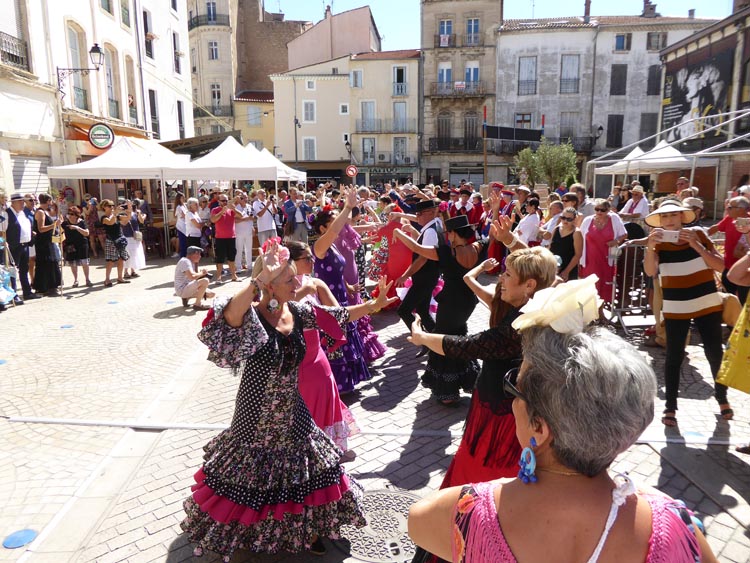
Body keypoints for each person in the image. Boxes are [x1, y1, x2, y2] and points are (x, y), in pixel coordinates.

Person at [408, 283, 717, 563]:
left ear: (540, 428)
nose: (513, 400)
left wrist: (500, 489)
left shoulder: (468, 511)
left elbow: (416, 521)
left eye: (515, 387)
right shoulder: (675, 523)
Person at [181, 241, 395, 560]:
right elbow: (229, 313)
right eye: (290, 280)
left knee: (307, 473)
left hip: (294, 411)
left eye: (297, 278)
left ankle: (305, 532)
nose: (299, 284)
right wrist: (256, 281)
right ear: (269, 284)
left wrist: (373, 305)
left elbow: (336, 315)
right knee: (252, 481)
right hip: (255, 418)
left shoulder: (299, 310)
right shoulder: (252, 315)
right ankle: (248, 536)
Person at [287, 241, 390, 458]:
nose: (312, 260)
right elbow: (274, 310)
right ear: (291, 262)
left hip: (317, 360)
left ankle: (330, 448)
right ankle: (307, 453)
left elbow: (339, 313)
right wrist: (301, 291)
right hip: (293, 362)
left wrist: (372, 305)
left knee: (325, 401)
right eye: (306, 258)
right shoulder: (280, 288)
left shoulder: (316, 283)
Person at [644, 201, 732, 427]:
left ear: (683, 217)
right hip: (676, 305)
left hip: (706, 301)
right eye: (665, 216)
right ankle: (670, 407)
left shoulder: (699, 234)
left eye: (674, 215)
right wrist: (650, 246)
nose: (670, 220)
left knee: (714, 352)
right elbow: (651, 271)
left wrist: (696, 246)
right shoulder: (659, 243)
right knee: (674, 356)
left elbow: (721, 267)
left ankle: (722, 398)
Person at [395, 214, 486, 405]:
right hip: (468, 302)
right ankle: (468, 379)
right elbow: (492, 237)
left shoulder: (445, 252)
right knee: (458, 334)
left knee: (443, 340)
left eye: (448, 233)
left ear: (453, 233)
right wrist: (494, 212)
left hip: (451, 303)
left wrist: (398, 232)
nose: (447, 236)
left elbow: (416, 248)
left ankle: (448, 392)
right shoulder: (478, 246)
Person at [311, 189, 373, 393]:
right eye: (332, 222)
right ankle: (336, 386)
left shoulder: (333, 247)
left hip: (340, 298)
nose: (339, 226)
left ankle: (346, 383)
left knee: (347, 337)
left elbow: (338, 272)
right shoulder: (320, 246)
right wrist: (346, 207)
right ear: (322, 229)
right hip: (328, 303)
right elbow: (333, 232)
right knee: (335, 341)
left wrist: (348, 287)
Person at [397, 199, 443, 338]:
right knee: (423, 311)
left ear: (430, 213)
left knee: (404, 310)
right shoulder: (435, 224)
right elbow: (423, 246)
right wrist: (412, 230)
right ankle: (436, 340)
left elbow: (422, 258)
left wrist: (405, 275)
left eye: (419, 214)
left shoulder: (430, 231)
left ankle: (423, 340)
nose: (416, 217)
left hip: (425, 278)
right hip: (428, 277)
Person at [579, 199, 627, 304]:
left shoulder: (614, 219)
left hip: (607, 259)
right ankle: (590, 315)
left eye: (603, 210)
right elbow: (580, 238)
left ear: (609, 210)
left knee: (605, 287)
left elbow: (624, 234)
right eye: (597, 209)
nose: (599, 212)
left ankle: (601, 314)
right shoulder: (587, 220)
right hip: (589, 260)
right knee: (590, 286)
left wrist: (616, 241)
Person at [708, 196, 750, 305]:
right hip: (728, 266)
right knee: (728, 298)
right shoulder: (728, 218)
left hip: (744, 271)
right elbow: (715, 228)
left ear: (742, 209)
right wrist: (701, 236)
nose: (727, 209)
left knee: (742, 300)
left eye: (730, 207)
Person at [4, 193, 38, 303]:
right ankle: (13, 295)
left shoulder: (22, 213)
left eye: (23, 201)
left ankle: (27, 292)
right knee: (12, 271)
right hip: (13, 246)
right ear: (13, 202)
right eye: (20, 201)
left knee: (24, 270)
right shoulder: (7, 214)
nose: (22, 203)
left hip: (24, 245)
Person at [33, 193, 62, 296]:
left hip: (48, 241)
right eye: (50, 201)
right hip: (43, 242)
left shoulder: (46, 211)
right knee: (45, 263)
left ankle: (52, 285)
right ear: (47, 201)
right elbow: (41, 228)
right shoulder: (40, 212)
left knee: (52, 263)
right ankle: (45, 287)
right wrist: (54, 225)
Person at [210, 193, 239, 283]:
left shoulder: (231, 210)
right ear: (218, 201)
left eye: (226, 200)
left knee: (232, 257)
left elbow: (241, 216)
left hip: (231, 237)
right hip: (220, 238)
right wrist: (222, 212)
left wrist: (234, 208)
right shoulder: (215, 210)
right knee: (220, 258)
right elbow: (213, 220)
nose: (225, 202)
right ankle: (218, 277)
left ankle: (234, 276)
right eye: (223, 200)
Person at [100, 199, 130, 287]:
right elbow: (110, 222)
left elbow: (127, 220)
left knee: (121, 259)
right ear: (104, 207)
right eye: (109, 206)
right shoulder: (104, 218)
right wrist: (116, 212)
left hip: (120, 240)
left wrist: (129, 210)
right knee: (110, 261)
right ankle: (107, 279)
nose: (112, 207)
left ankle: (120, 277)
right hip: (111, 241)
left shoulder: (116, 216)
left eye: (113, 205)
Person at [61, 206, 92, 287]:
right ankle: (75, 280)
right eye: (69, 214)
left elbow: (86, 233)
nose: (70, 215)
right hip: (70, 245)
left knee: (85, 262)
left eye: (72, 214)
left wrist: (77, 228)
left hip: (82, 244)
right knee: (73, 263)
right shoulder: (65, 223)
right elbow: (59, 231)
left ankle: (87, 279)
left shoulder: (81, 222)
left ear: (76, 215)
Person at [549, 207, 583, 281]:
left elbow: (578, 255)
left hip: (568, 268)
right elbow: (550, 248)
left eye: (569, 219)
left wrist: (566, 271)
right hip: (554, 268)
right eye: (563, 218)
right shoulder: (556, 229)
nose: (565, 221)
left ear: (574, 219)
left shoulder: (576, 233)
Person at [121, 200, 146, 279]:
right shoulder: (122, 215)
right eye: (128, 205)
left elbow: (142, 221)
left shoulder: (135, 214)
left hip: (135, 237)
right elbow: (123, 223)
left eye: (131, 205)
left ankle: (133, 271)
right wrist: (128, 213)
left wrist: (139, 214)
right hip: (127, 237)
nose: (130, 206)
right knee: (128, 255)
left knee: (135, 254)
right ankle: (125, 272)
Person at [233, 192, 254, 270]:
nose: (244, 199)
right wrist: (245, 219)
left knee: (249, 249)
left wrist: (252, 227)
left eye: (246, 197)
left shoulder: (249, 207)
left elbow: (253, 217)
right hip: (239, 232)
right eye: (242, 198)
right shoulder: (236, 207)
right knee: (239, 250)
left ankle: (249, 266)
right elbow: (234, 220)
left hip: (248, 231)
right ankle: (238, 267)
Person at [173, 192, 188, 258]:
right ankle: (183, 256)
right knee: (183, 242)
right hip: (181, 226)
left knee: (185, 241)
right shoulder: (178, 207)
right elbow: (184, 215)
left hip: (186, 225)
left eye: (184, 197)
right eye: (182, 198)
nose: (183, 199)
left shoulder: (184, 205)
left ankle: (185, 255)